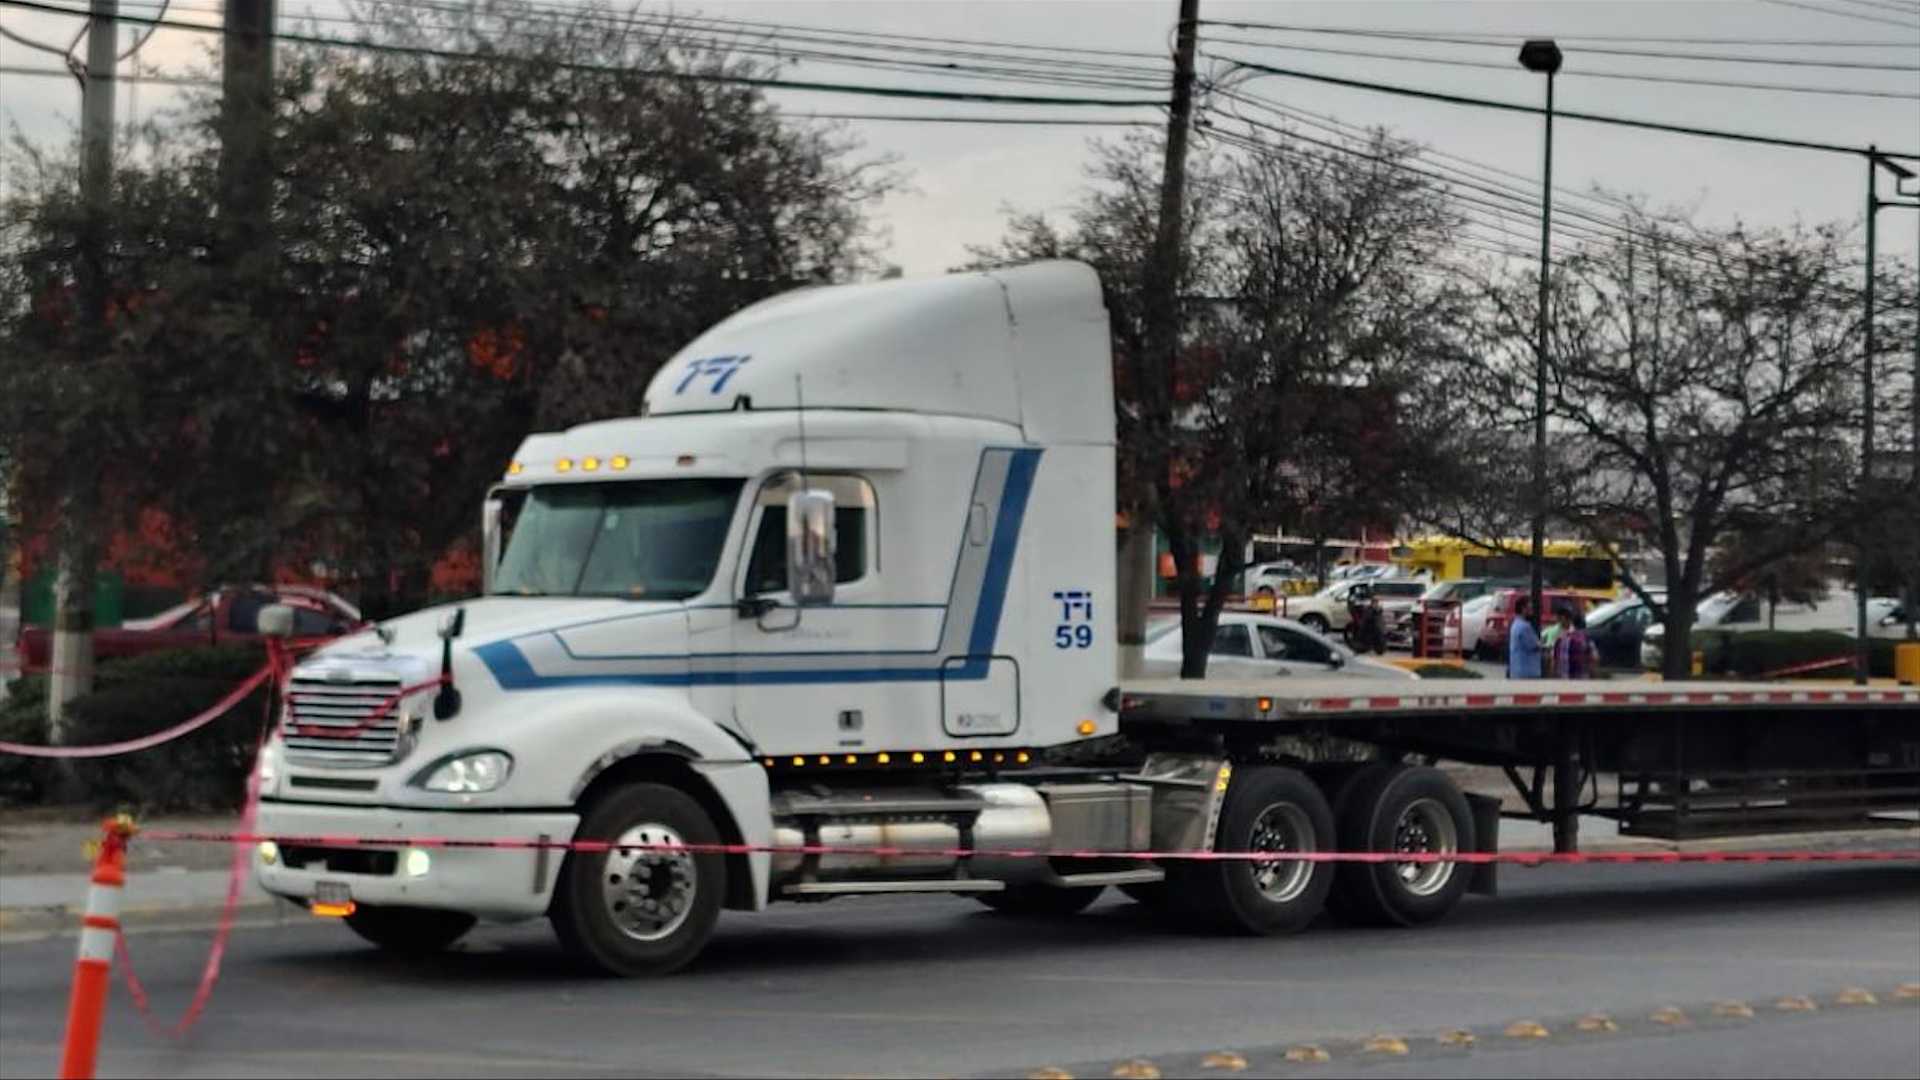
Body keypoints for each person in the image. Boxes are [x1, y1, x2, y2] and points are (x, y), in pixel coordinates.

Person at [1556, 609, 1598, 679]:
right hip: (1582, 679)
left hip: (1566, 679)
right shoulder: (1586, 639)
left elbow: (1557, 662)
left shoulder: (1562, 640)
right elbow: (1595, 658)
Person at [1507, 596, 1543, 679]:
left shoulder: (1515, 624)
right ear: (1524, 609)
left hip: (1516, 670)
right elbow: (1534, 646)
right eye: (1530, 608)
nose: (1532, 611)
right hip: (1527, 672)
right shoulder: (1525, 627)